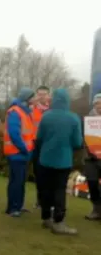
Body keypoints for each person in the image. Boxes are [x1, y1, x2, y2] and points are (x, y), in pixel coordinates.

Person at [34, 88, 82, 234]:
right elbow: (78, 142)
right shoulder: (74, 118)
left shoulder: (46, 116)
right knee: (60, 190)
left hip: (45, 158)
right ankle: (59, 221)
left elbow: (39, 137)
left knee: (46, 189)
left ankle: (46, 218)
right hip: (63, 160)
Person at [4, 87, 36, 217]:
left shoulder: (24, 112)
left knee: (19, 181)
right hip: (17, 153)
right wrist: (24, 149)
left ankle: (17, 206)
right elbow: (14, 134)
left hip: (21, 153)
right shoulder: (15, 112)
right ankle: (13, 208)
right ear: (27, 99)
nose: (34, 100)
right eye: (32, 97)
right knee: (16, 182)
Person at [32, 85, 51, 209]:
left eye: (44, 94)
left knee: (50, 174)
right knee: (39, 173)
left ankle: (49, 201)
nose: (42, 96)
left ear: (49, 95)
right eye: (39, 94)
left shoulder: (53, 109)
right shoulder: (31, 108)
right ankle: (40, 200)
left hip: (49, 144)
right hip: (35, 144)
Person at [84, 93, 101, 220]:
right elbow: (82, 137)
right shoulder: (87, 119)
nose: (99, 106)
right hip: (90, 158)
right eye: (97, 103)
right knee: (92, 183)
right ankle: (96, 209)